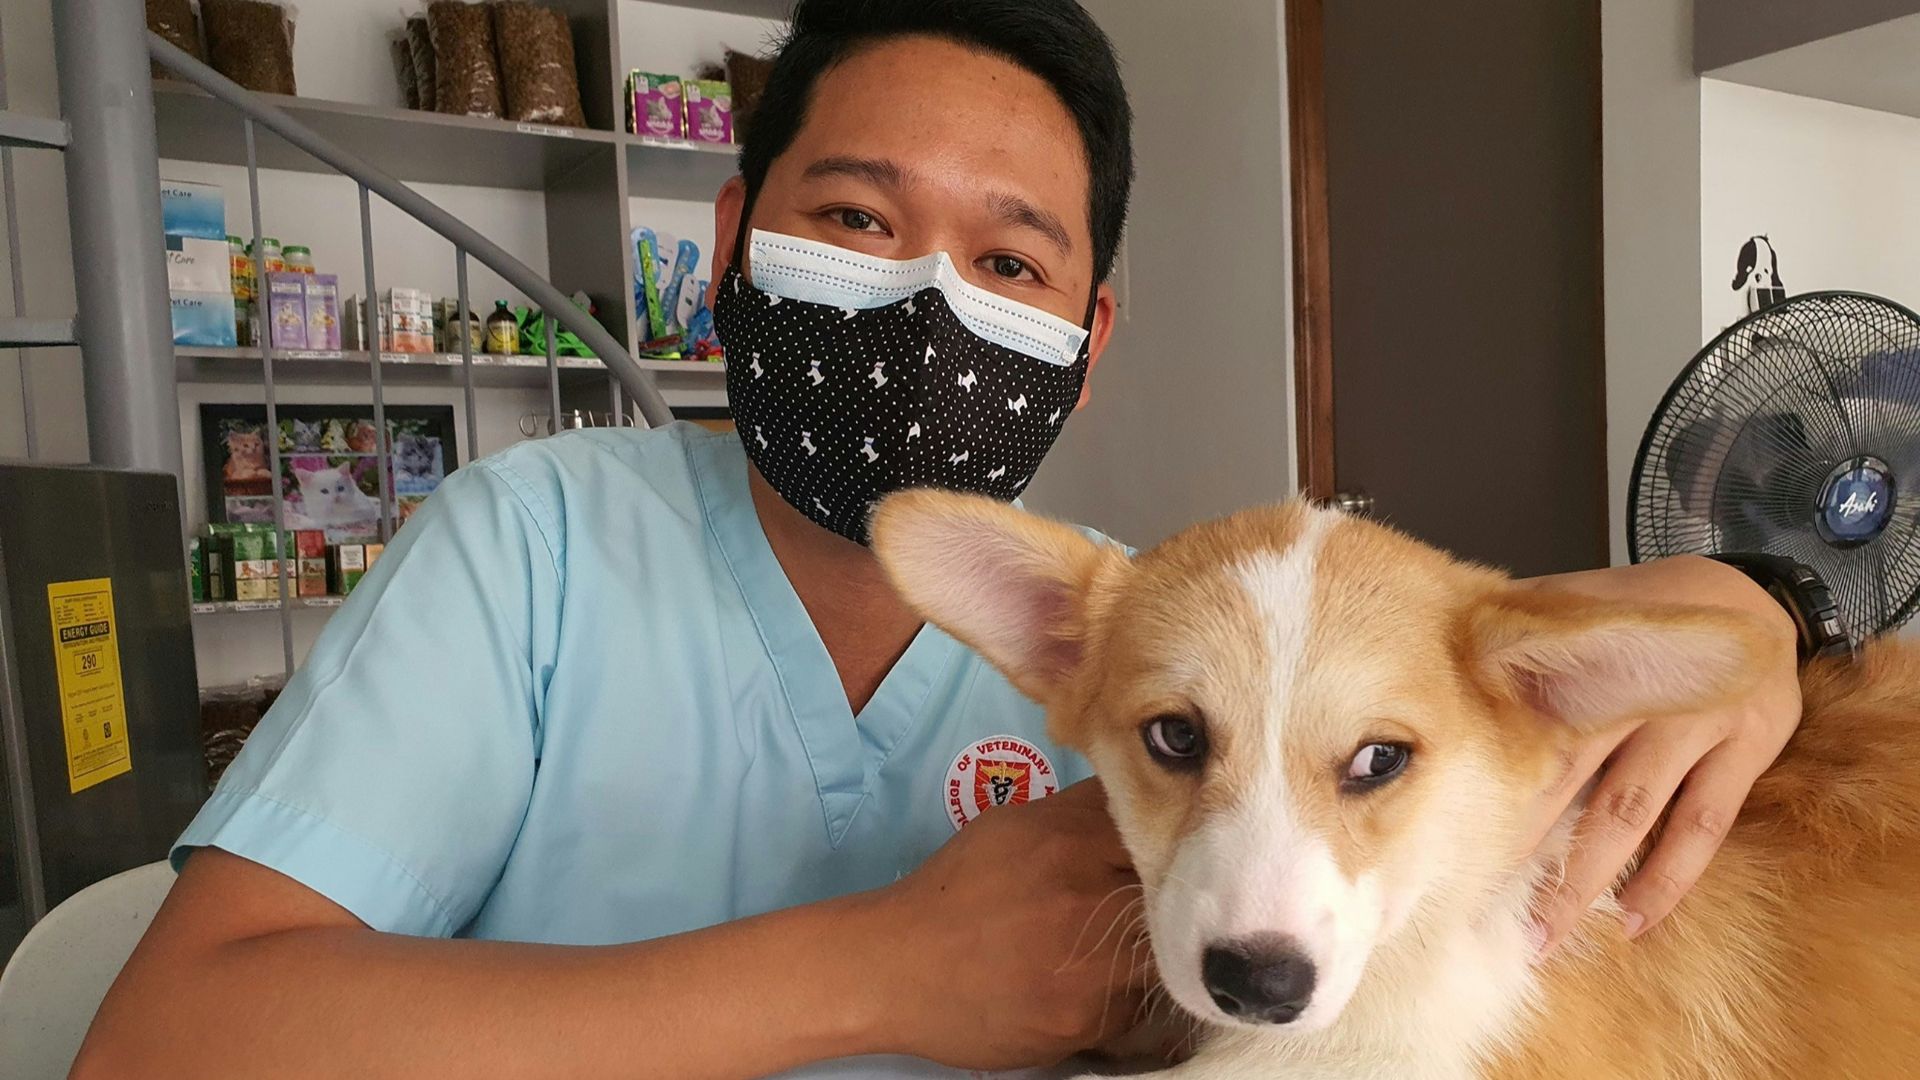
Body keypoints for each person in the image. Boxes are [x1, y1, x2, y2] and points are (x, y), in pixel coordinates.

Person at [74, 1, 1802, 1077]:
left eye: (1013, 261)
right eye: (852, 217)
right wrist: (882, 970)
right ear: (738, 236)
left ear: (1087, 334)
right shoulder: (533, 546)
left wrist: (1758, 607)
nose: (926, 299)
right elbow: (169, 1052)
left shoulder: (1153, 631)